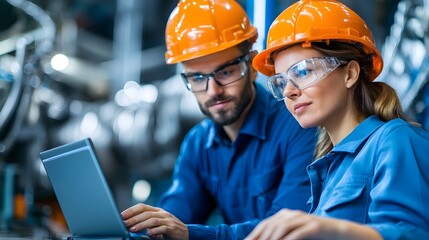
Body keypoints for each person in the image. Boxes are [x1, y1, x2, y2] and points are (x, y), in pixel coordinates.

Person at [121, 0, 317, 239]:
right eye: (197, 78)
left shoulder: (299, 126)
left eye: (225, 72)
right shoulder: (198, 144)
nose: (213, 90)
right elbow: (172, 218)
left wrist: (190, 234)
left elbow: (287, 230)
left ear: (252, 66)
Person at [245, 0, 429, 239]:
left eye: (302, 72)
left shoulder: (394, 140)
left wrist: (331, 230)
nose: (289, 90)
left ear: (350, 74)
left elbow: (413, 233)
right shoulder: (329, 168)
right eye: (281, 81)